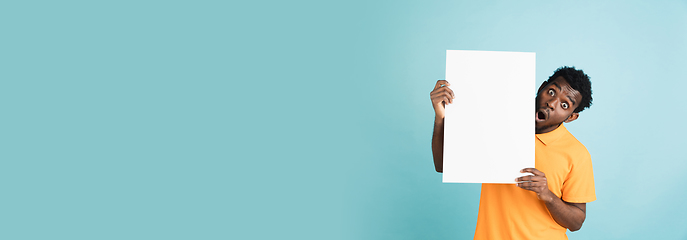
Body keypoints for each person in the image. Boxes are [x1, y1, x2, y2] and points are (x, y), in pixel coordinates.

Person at [430, 66, 596, 240]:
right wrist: (440, 117)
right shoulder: (496, 125)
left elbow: (576, 222)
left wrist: (548, 195)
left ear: (571, 117)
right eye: (552, 92)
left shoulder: (577, 154)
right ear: (541, 88)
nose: (552, 103)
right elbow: (443, 165)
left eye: (564, 105)